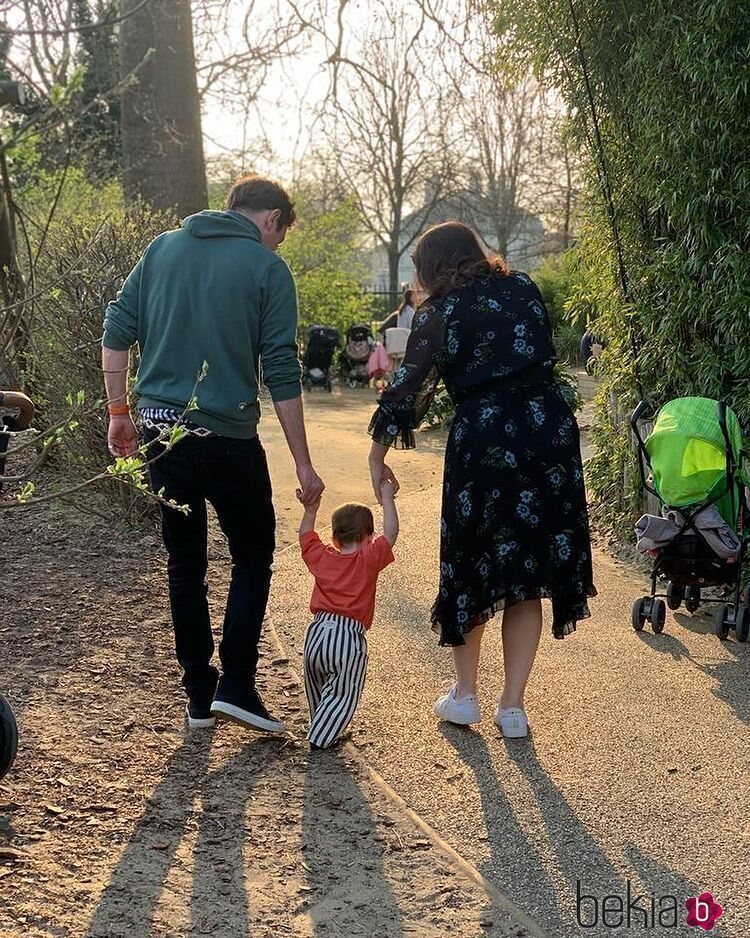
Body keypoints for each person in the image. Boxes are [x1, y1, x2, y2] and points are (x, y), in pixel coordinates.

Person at [101, 174, 324, 734]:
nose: (275, 247)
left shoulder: (161, 249)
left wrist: (118, 411)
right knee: (252, 556)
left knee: (186, 561)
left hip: (159, 431)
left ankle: (199, 696)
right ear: (272, 218)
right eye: (279, 235)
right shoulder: (267, 268)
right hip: (225, 438)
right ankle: (238, 685)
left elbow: (116, 329)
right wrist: (301, 461)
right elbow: (280, 368)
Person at [367, 221, 595, 738]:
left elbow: (408, 390)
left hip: (485, 439)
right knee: (526, 570)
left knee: (473, 565)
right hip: (546, 433)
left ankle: (465, 696)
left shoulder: (440, 313)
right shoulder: (524, 287)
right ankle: (512, 706)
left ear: (431, 267)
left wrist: (376, 456)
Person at [298, 482, 398, 749]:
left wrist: (310, 509)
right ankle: (320, 737)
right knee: (344, 691)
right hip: (348, 637)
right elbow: (391, 533)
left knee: (318, 687)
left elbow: (306, 535)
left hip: (317, 633)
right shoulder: (367, 559)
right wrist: (388, 498)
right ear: (368, 536)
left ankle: (321, 724)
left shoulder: (323, 557)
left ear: (334, 537)